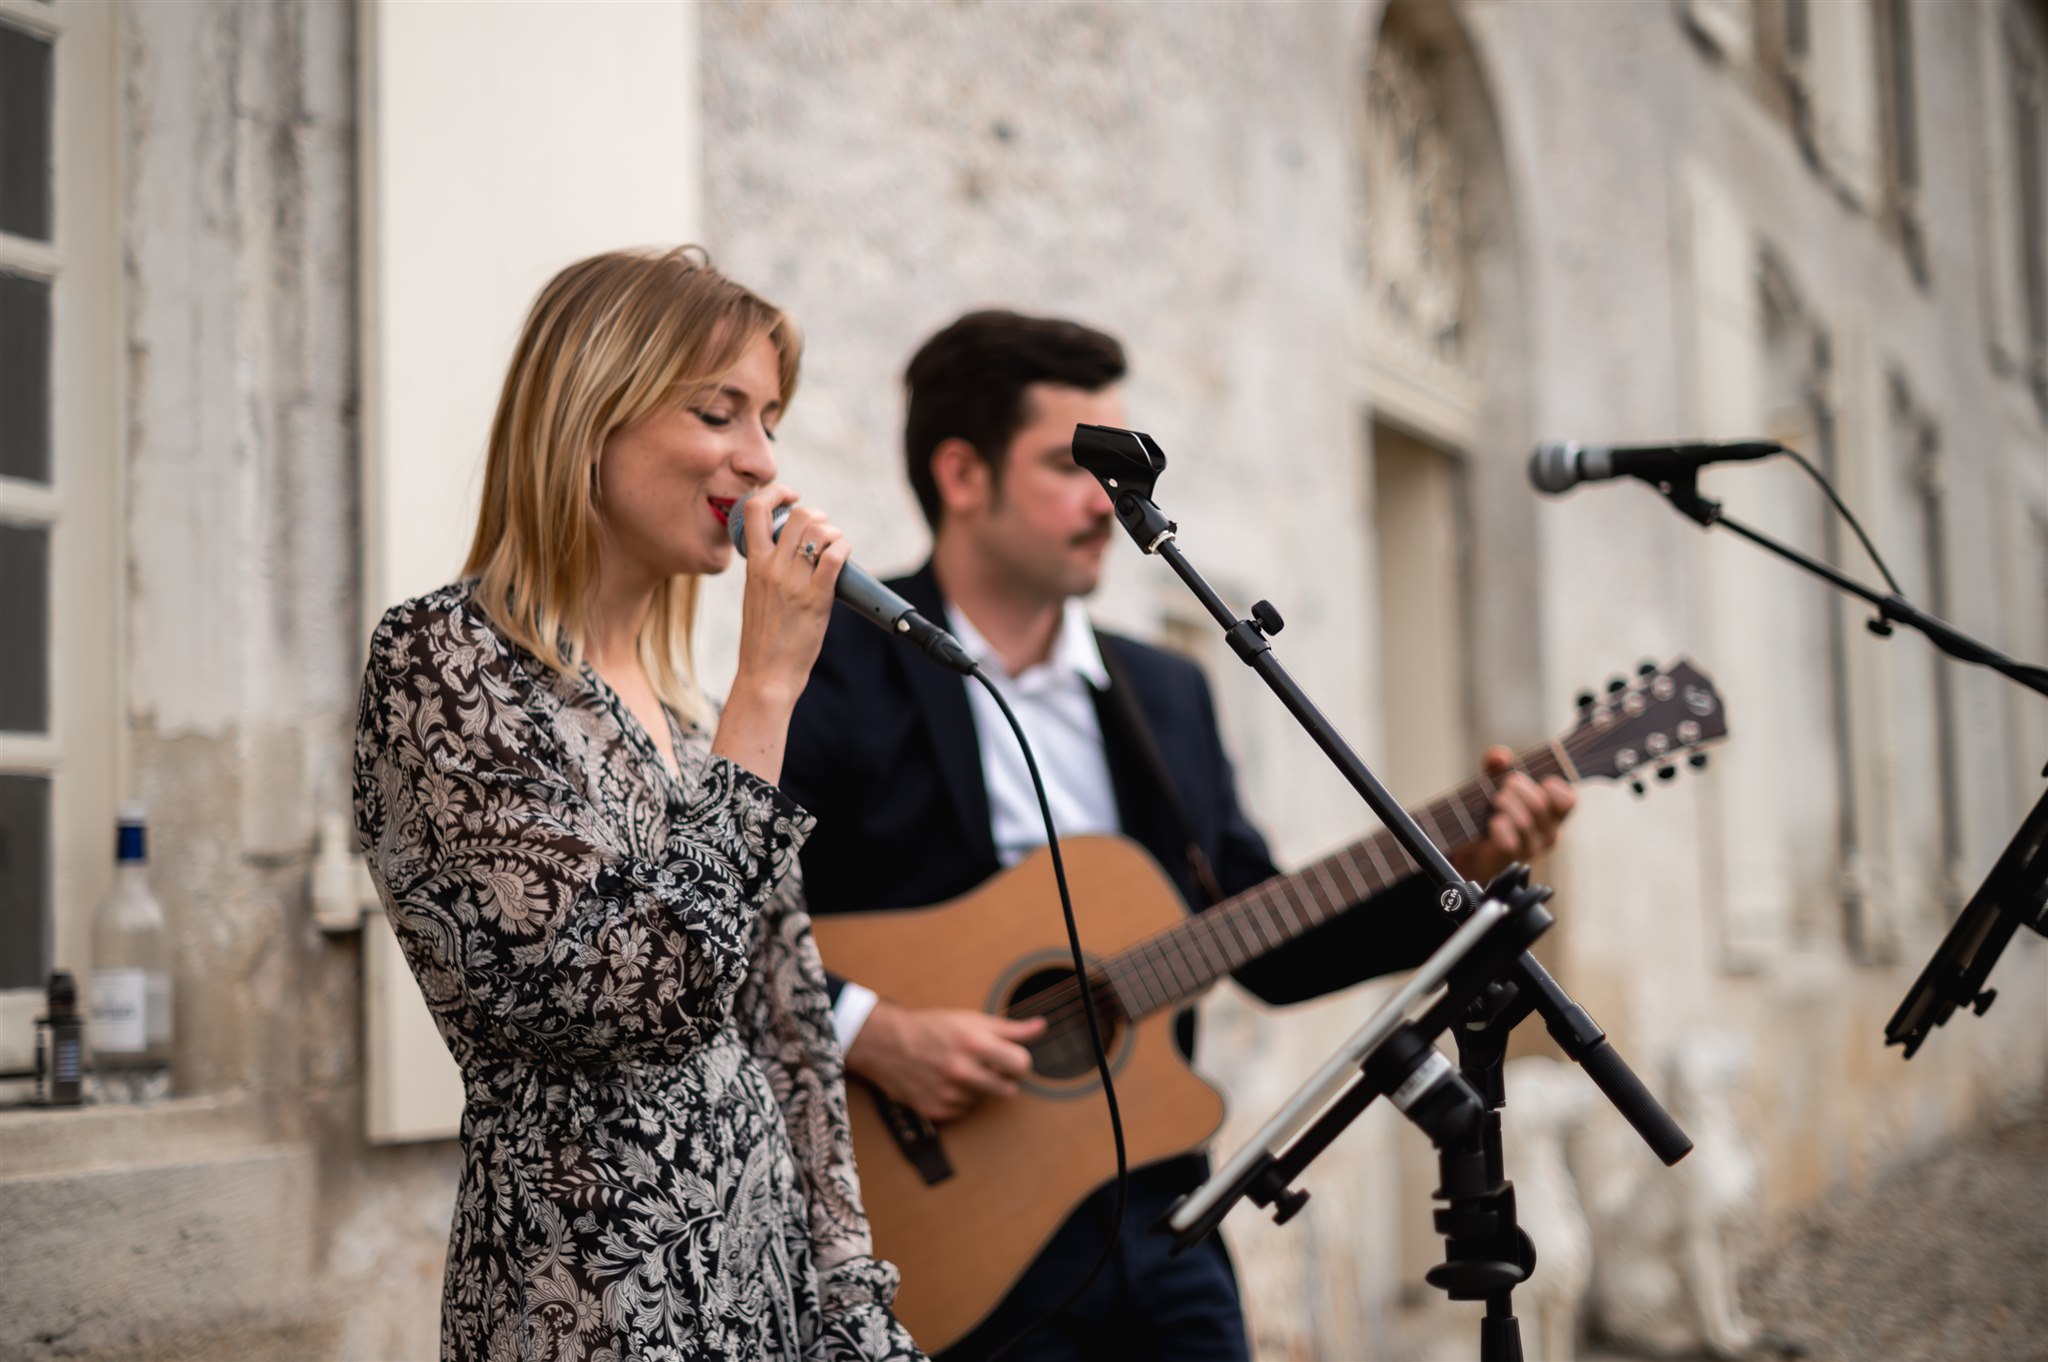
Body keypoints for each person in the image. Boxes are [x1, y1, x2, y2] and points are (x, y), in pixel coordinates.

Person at [777, 310, 1577, 1362]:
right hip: (944, 1231)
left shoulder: (1166, 693)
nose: (1106, 502)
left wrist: (1455, 871)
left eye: (1119, 471)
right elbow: (731, 916)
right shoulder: (830, 667)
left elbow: (1266, 941)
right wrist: (870, 1029)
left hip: (1160, 1210)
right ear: (962, 474)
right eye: (1074, 466)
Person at [351, 247, 924, 1362]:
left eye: (771, 421)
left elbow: (793, 1038)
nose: (762, 462)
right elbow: (629, 996)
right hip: (592, 1298)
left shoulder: (696, 722)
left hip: (767, 1297)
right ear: (591, 412)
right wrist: (769, 689)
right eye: (719, 412)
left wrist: (857, 1308)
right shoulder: (444, 662)